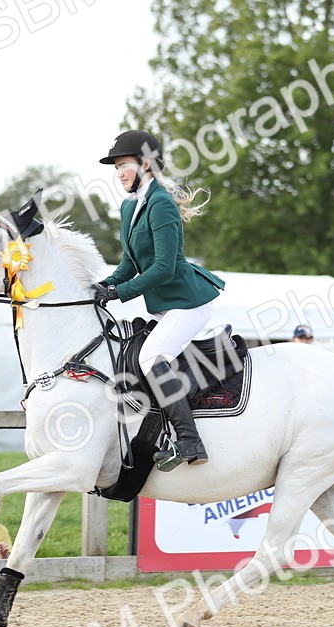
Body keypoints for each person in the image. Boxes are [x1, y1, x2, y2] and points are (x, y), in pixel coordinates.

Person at [93, 130, 226, 470]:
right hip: (165, 306)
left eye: (124, 165)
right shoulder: (129, 207)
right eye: (116, 168)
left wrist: (120, 293)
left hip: (187, 302)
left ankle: (190, 441)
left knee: (151, 356)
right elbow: (129, 263)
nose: (119, 173)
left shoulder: (161, 202)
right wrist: (104, 285)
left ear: (146, 164)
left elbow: (164, 268)